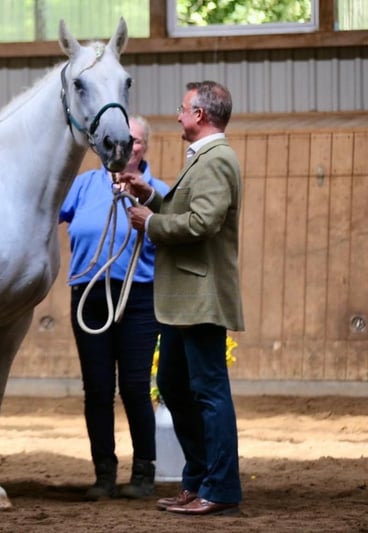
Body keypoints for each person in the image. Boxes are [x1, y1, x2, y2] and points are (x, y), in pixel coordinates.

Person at [121, 81, 244, 516]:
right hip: (183, 299)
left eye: (182, 108)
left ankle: (221, 488)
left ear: (200, 115)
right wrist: (151, 196)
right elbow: (189, 211)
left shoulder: (217, 159)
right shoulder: (203, 159)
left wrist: (151, 222)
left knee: (209, 392)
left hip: (199, 296)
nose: (177, 115)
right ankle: (198, 479)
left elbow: (203, 222)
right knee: (174, 386)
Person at [59, 115, 170, 500]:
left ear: (145, 146)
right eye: (118, 140)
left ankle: (144, 471)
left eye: (134, 140)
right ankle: (104, 472)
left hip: (139, 297)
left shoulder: (159, 192)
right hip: (90, 294)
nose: (126, 146)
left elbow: (174, 236)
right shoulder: (83, 186)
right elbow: (44, 212)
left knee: (135, 387)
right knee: (97, 388)